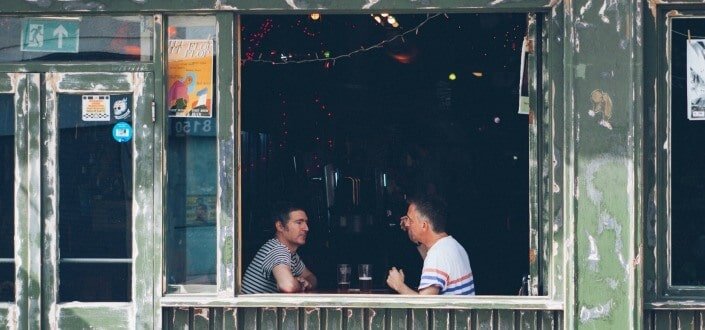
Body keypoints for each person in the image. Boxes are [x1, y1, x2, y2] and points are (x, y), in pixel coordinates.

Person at [386, 195, 475, 295]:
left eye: (410, 220)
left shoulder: (436, 255)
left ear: (424, 225)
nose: (406, 224)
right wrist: (413, 232)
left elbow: (425, 306)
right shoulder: (453, 245)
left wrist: (399, 285)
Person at [242, 202, 318, 293]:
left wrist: (306, 282)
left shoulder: (291, 254)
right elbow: (288, 286)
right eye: (299, 222)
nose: (306, 228)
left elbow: (311, 277)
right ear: (280, 226)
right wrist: (300, 283)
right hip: (251, 307)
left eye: (306, 223)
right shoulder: (276, 250)